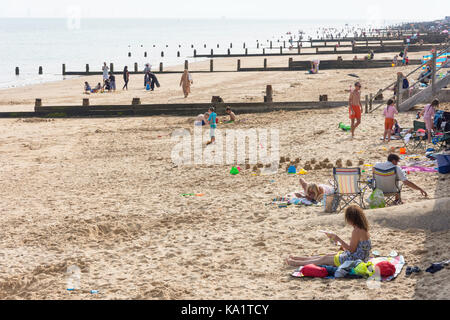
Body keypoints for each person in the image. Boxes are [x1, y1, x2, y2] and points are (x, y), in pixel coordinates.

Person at [286, 205, 371, 267]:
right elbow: (356, 249)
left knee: (323, 260)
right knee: (326, 256)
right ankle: (299, 258)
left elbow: (352, 250)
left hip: (355, 261)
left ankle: (296, 263)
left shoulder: (356, 231)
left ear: (351, 219)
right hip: (359, 258)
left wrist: (337, 238)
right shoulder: (363, 228)